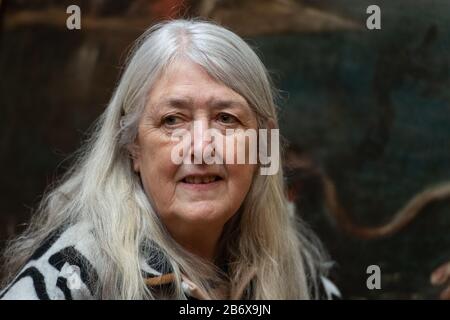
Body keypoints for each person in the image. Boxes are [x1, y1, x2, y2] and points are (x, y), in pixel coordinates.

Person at [0, 19, 334, 300]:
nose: (202, 148)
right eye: (172, 120)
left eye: (226, 119)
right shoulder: (76, 271)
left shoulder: (294, 267)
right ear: (133, 147)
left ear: (265, 145)